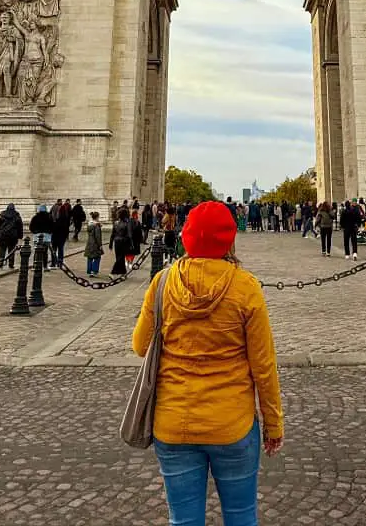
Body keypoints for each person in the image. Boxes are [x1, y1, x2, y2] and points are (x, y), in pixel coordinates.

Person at [132, 200, 283, 526]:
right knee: (242, 517)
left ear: (185, 237)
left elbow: (139, 346)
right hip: (232, 424)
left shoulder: (161, 282)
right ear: (230, 239)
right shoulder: (246, 286)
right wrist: (273, 423)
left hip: (173, 423)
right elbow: (263, 365)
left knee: (183, 521)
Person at [0, 202, 23, 267]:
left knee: (2, 250)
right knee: (11, 250)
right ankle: (11, 264)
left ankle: (0, 263)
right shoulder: (17, 217)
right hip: (13, 236)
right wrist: (20, 236)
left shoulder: (2, 216)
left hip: (3, 236)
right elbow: (20, 227)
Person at [29, 205, 54, 270]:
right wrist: (49, 232)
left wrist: (35, 232)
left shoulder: (35, 217)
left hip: (37, 236)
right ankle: (45, 266)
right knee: (45, 252)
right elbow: (53, 226)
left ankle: (35, 266)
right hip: (46, 237)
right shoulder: (49, 217)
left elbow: (31, 227)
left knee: (36, 251)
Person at [110, 207, 131, 276]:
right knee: (120, 258)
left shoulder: (115, 223)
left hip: (116, 242)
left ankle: (123, 272)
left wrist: (110, 244)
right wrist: (130, 244)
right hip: (123, 242)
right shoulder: (126, 223)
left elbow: (112, 234)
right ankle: (113, 272)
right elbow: (129, 235)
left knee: (119, 257)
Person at [51, 201, 71, 267]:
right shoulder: (65, 219)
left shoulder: (53, 220)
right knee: (60, 249)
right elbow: (66, 229)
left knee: (54, 249)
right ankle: (60, 262)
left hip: (54, 236)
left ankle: (53, 262)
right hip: (62, 237)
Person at [84, 212, 103, 276]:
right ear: (97, 217)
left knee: (90, 257)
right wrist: (100, 245)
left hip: (89, 242)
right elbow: (97, 236)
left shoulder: (89, 224)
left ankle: (89, 270)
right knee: (97, 257)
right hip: (95, 243)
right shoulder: (96, 225)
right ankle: (94, 270)